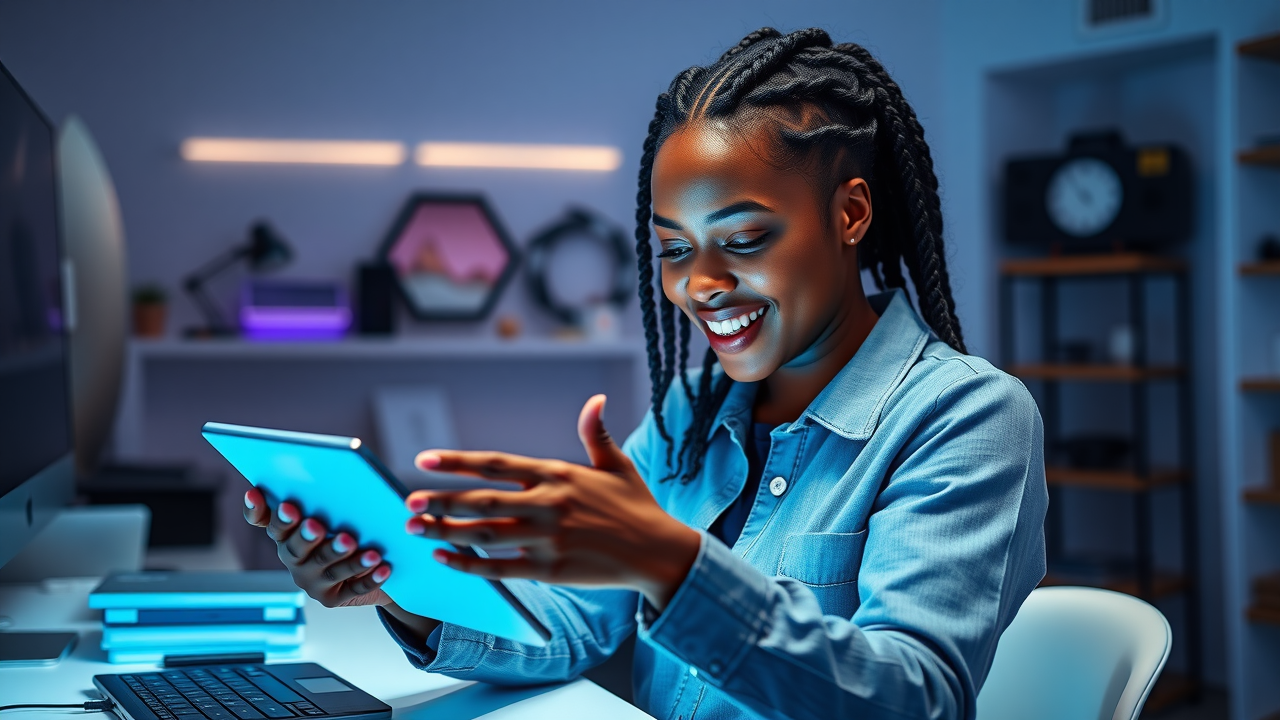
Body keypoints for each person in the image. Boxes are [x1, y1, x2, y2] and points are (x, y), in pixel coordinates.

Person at [243, 27, 1048, 720]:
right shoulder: (689, 416)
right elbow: (575, 625)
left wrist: (670, 562)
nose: (698, 284)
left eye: (743, 239)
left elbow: (915, 699)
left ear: (850, 215)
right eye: (672, 249)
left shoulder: (968, 418)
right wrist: (403, 593)